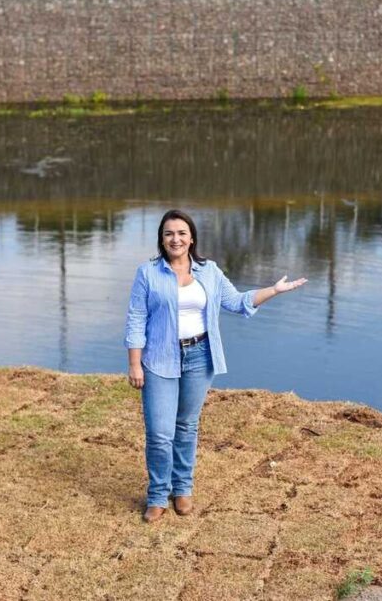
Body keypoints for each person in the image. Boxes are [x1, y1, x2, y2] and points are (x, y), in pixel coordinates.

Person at [124, 209, 307, 524]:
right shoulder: (148, 273)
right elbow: (136, 319)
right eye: (169, 233)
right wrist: (135, 364)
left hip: (199, 357)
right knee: (159, 433)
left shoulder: (209, 271)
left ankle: (182, 488)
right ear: (162, 239)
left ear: (191, 237)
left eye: (181, 233)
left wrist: (274, 291)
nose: (175, 239)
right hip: (158, 359)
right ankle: (157, 495)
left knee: (187, 426)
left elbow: (237, 302)